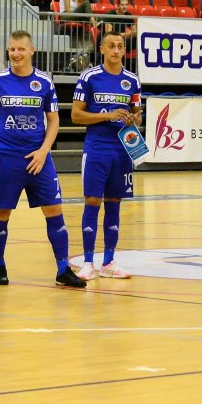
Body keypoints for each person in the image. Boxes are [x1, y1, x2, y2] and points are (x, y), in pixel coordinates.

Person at [0, 30, 86, 290]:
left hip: (39, 158)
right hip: (6, 157)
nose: (16, 54)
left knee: (54, 210)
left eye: (21, 49)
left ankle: (63, 269)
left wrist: (43, 151)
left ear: (32, 51)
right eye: (12, 49)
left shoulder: (44, 82)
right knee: (1, 212)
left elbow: (54, 121)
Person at [71, 31, 141, 281]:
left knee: (115, 204)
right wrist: (107, 115)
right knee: (92, 201)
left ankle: (109, 261)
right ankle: (88, 262)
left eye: (120, 46)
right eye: (111, 46)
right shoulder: (89, 77)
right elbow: (76, 116)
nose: (115, 50)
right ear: (102, 49)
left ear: (124, 50)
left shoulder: (132, 80)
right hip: (97, 149)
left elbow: (137, 113)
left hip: (121, 150)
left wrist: (133, 118)